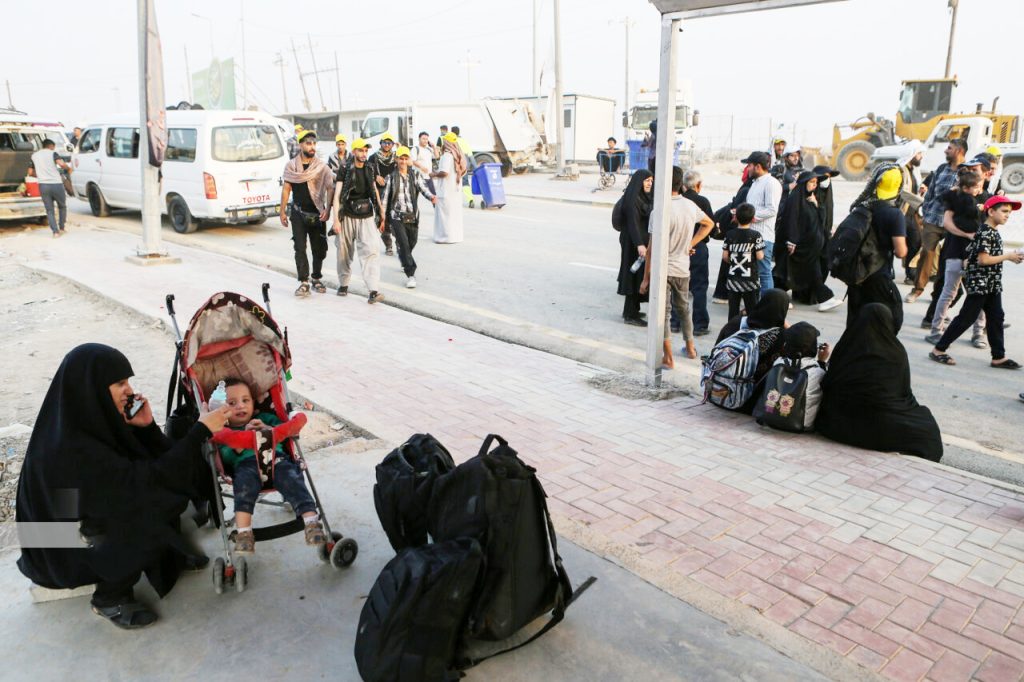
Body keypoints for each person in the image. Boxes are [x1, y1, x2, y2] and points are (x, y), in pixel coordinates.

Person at [16, 344, 232, 629]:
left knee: (156, 494)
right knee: (146, 506)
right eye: (120, 383)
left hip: (76, 524)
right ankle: (109, 597)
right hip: (56, 547)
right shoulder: (69, 449)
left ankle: (162, 556)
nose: (129, 391)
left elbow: (154, 466)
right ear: (92, 388)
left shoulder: (89, 422)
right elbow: (147, 484)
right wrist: (200, 431)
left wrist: (147, 428)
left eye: (128, 381)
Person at [817, 304, 942, 462]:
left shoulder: (846, 347)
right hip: (880, 425)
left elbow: (829, 383)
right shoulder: (895, 352)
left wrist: (822, 362)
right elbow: (902, 392)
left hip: (836, 424)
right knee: (927, 430)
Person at [217, 378, 324, 555]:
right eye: (232, 403)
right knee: (242, 490)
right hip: (246, 467)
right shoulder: (225, 431)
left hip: (276, 460)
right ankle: (244, 533)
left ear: (253, 402)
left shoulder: (265, 418)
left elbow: (284, 432)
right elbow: (226, 457)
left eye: (245, 400)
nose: (240, 406)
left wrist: (267, 429)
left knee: (293, 479)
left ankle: (312, 522)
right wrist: (242, 440)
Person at [929, 196, 1023, 369]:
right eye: (1004, 211)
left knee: (996, 318)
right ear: (991, 211)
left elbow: (973, 255)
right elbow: (983, 260)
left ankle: (998, 357)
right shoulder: (985, 232)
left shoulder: (992, 231)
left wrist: (1011, 256)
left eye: (1009, 212)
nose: (1007, 215)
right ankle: (938, 350)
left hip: (991, 284)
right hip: (981, 284)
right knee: (966, 318)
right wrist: (1008, 256)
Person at [640, 166, 715, 367]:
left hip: (663, 270)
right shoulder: (690, 206)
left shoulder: (659, 210)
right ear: (681, 184)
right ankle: (690, 348)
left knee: (663, 314)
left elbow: (651, 249)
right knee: (684, 309)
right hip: (682, 268)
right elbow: (709, 224)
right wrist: (690, 244)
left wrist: (646, 278)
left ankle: (668, 357)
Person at [923, 169, 986, 345]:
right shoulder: (956, 199)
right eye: (976, 186)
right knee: (949, 293)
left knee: (978, 293)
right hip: (956, 251)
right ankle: (936, 331)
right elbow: (947, 223)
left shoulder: (979, 197)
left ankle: (978, 332)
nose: (979, 189)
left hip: (973, 253)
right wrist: (968, 235)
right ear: (966, 186)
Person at [845, 165, 908, 331]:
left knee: (855, 322)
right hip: (878, 274)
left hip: (857, 274)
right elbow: (901, 252)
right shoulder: (895, 214)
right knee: (891, 318)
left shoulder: (861, 206)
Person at [906, 138, 967, 303]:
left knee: (947, 259)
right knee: (926, 253)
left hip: (953, 223)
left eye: (949, 148)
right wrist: (925, 212)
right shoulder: (941, 169)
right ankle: (917, 289)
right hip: (933, 219)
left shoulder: (967, 171)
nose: (946, 150)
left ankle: (938, 295)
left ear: (959, 151)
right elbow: (931, 192)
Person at [280, 130, 334, 297]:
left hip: (317, 213)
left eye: (314, 143)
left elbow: (330, 187)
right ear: (300, 145)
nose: (312, 147)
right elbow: (286, 189)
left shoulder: (321, 167)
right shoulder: (291, 166)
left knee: (320, 249)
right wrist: (282, 211)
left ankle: (316, 278)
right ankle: (304, 282)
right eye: (308, 143)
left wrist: (328, 209)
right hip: (298, 213)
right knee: (300, 248)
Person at [331, 138, 385, 304]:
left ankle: (373, 290)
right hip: (347, 214)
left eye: (366, 151)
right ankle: (343, 284)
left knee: (371, 250)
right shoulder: (345, 168)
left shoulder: (370, 168)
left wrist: (381, 212)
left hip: (366, 215)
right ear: (354, 151)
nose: (364, 153)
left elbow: (374, 191)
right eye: (361, 150)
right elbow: (337, 195)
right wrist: (336, 220)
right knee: (343, 251)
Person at [779, 170, 841, 310]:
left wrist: (817, 204)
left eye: (815, 183)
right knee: (792, 271)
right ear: (803, 183)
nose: (814, 185)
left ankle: (776, 294)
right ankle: (826, 299)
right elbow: (791, 221)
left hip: (811, 245)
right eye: (811, 182)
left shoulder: (811, 199)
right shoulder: (795, 199)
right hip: (799, 245)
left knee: (796, 272)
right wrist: (792, 240)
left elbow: (821, 220)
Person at [381, 146, 438, 289]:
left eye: (406, 159)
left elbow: (423, 189)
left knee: (412, 242)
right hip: (397, 217)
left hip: (412, 215)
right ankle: (411, 274)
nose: (403, 161)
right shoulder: (391, 178)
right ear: (397, 160)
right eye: (401, 159)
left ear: (409, 160)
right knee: (404, 244)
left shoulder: (415, 175)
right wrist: (382, 218)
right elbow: (385, 200)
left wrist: (432, 197)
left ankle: (403, 256)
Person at [769, 322, 831, 429]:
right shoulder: (818, 371)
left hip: (770, 417)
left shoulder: (778, 363)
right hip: (801, 424)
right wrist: (821, 361)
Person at [741, 151, 783, 295]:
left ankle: (768, 304)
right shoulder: (755, 184)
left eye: (749, 165)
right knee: (751, 272)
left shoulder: (771, 183)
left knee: (764, 273)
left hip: (763, 236)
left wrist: (750, 216)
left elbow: (772, 209)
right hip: (750, 234)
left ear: (758, 166)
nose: (747, 169)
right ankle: (755, 303)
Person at [711, 169, 755, 303]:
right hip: (738, 229)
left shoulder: (746, 187)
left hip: (735, 230)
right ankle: (725, 294)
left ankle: (723, 294)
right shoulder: (748, 189)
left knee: (731, 263)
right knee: (734, 264)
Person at [616, 170, 653, 326]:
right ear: (639, 182)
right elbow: (633, 224)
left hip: (639, 242)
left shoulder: (643, 197)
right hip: (633, 243)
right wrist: (640, 244)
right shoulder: (632, 200)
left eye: (651, 181)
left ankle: (633, 309)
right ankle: (630, 315)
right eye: (646, 180)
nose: (649, 183)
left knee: (638, 275)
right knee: (633, 276)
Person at [681, 170, 715, 335]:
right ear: (698, 185)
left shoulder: (679, 200)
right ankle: (700, 324)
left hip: (679, 247)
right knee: (699, 287)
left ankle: (675, 322)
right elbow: (711, 227)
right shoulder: (702, 201)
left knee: (678, 286)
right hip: (698, 247)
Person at [722, 202, 764, 320]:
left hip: (733, 279)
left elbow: (725, 256)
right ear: (753, 219)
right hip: (750, 279)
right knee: (752, 309)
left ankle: (732, 328)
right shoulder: (756, 235)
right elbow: (760, 256)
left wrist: (733, 262)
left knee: (733, 310)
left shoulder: (730, 234)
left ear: (736, 217)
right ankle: (750, 329)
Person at [30, 139, 73, 238]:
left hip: (43, 185)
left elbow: (30, 172)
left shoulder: (34, 156)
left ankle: (55, 232)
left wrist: (41, 175)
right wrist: (69, 169)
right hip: (56, 184)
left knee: (49, 210)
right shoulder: (53, 153)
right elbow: (61, 164)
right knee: (62, 206)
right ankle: (62, 228)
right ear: (51, 146)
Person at [896, 141, 925, 284]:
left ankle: (911, 274)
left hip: (912, 214)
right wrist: (921, 201)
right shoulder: (901, 170)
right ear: (912, 154)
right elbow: (903, 192)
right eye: (919, 153)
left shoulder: (913, 170)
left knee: (916, 242)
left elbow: (912, 190)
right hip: (901, 213)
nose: (921, 156)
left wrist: (921, 191)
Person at [432, 131, 466, 244]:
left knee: (445, 215)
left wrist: (434, 174)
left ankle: (444, 238)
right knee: (454, 215)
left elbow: (444, 173)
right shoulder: (458, 155)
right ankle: (455, 237)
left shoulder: (447, 155)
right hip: (455, 190)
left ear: (446, 142)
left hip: (446, 190)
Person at [370, 133, 398, 255]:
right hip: (380, 192)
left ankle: (399, 243)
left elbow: (406, 166)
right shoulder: (373, 157)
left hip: (394, 191)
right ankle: (388, 245)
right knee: (383, 219)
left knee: (396, 219)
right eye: (385, 142)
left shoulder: (396, 157)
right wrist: (375, 176)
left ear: (392, 144)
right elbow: (367, 171)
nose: (387, 145)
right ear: (380, 143)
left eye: (389, 143)